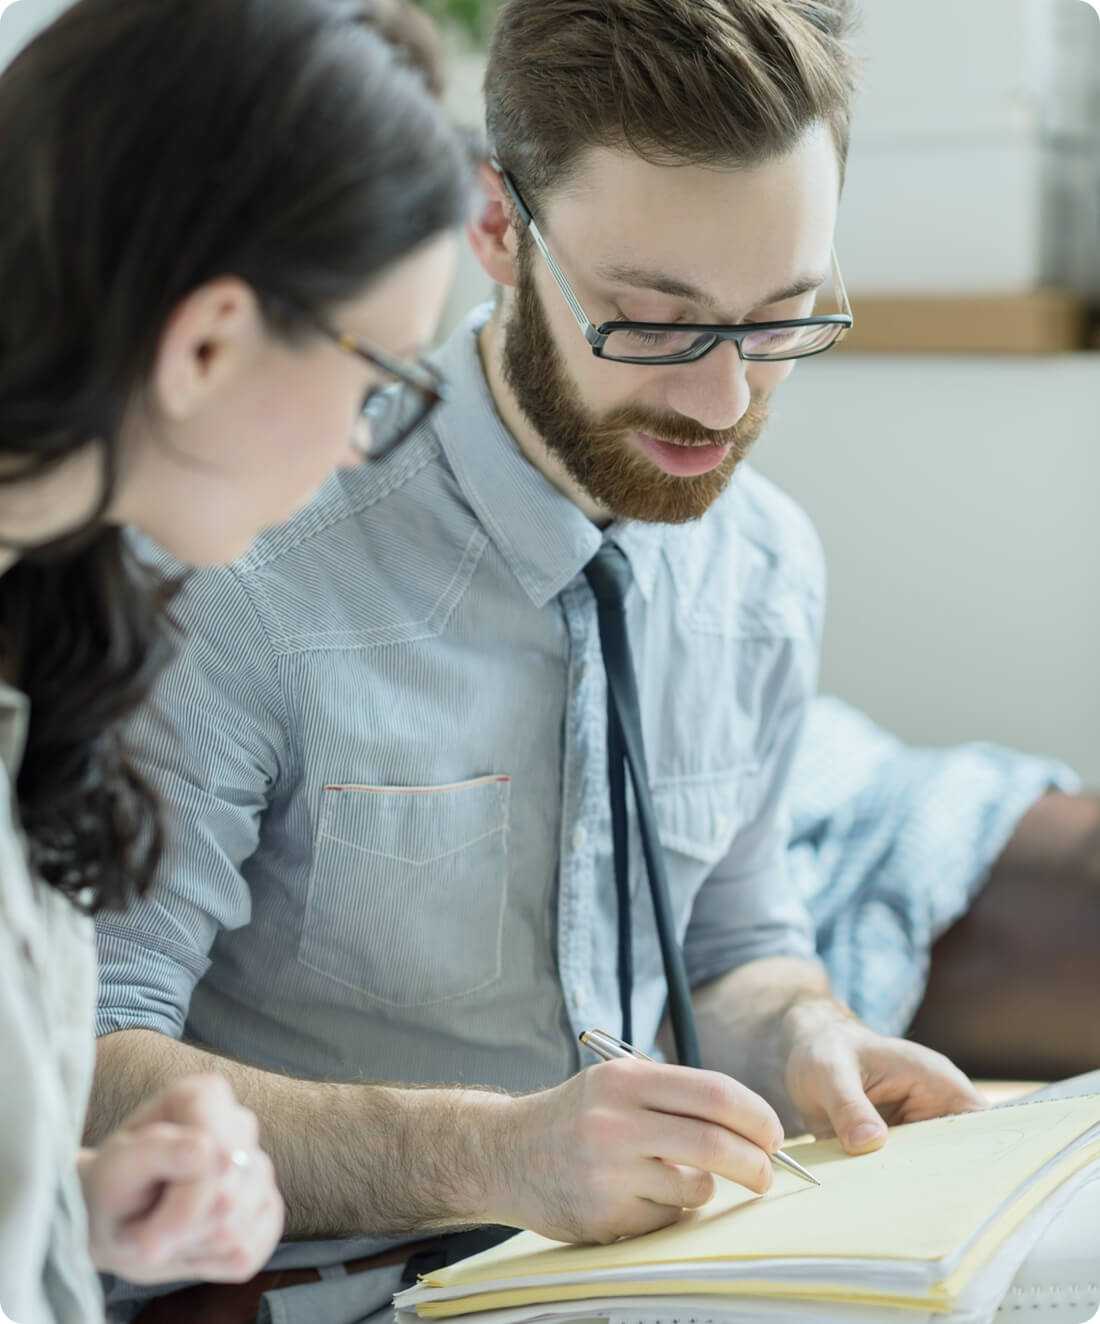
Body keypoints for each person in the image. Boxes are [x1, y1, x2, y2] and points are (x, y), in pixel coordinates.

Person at [89, 2, 988, 1321]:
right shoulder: (248, 567)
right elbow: (84, 1064)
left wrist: (809, 1036)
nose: (722, 402)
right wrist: (493, 1155)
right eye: (655, 321)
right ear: (501, 230)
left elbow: (736, 941)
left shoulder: (765, 571)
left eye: (782, 320)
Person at [0, 0, 468, 1319]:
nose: (364, 445)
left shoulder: (57, 626)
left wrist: (77, 1201)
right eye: (379, 378)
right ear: (207, 339)